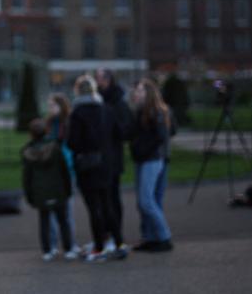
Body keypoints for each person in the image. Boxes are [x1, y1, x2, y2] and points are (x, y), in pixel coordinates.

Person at [67, 75, 127, 262]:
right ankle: (118, 243)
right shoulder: (107, 109)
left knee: (94, 208)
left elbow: (73, 142)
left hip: (88, 165)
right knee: (107, 204)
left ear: (78, 91)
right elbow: (119, 133)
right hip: (106, 164)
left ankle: (99, 246)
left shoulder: (77, 113)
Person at [130, 78, 174, 253]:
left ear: (148, 93)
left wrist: (141, 147)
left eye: (140, 91)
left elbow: (161, 136)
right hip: (143, 159)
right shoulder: (140, 111)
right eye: (136, 91)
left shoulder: (157, 111)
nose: (136, 93)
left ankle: (164, 237)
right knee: (145, 202)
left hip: (152, 159)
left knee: (147, 201)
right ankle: (149, 237)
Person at [22, 118, 75, 262]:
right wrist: (68, 189)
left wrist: (29, 196)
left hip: (40, 192)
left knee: (44, 221)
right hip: (58, 189)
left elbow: (27, 178)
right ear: (46, 131)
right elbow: (64, 170)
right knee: (63, 220)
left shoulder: (28, 152)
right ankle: (69, 249)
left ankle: (47, 250)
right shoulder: (55, 148)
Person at [95, 68, 133, 251]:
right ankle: (105, 235)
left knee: (112, 199)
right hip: (100, 158)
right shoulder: (99, 100)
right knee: (102, 200)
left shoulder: (118, 103)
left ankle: (116, 236)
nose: (97, 81)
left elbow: (126, 130)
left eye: (100, 78)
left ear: (108, 80)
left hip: (112, 157)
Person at [43, 93, 78, 256]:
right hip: (51, 171)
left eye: (52, 105)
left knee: (67, 210)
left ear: (61, 106)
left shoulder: (68, 123)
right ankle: (53, 244)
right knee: (51, 209)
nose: (50, 109)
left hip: (66, 169)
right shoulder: (49, 123)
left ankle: (70, 243)